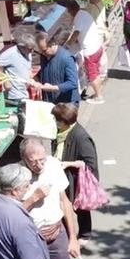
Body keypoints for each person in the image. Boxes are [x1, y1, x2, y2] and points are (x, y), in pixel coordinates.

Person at [52, 103, 100, 243]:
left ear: (65, 122)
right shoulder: (61, 131)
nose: (55, 122)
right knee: (63, 205)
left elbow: (90, 164)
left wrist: (68, 164)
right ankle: (66, 234)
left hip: (75, 179)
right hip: (62, 175)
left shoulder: (81, 137)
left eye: (57, 120)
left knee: (80, 207)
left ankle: (84, 235)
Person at [65, 0, 105, 105]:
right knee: (96, 73)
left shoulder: (78, 18)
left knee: (92, 75)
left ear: (71, 10)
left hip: (90, 51)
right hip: (97, 46)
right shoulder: (84, 13)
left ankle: (99, 97)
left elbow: (76, 33)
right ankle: (98, 93)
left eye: (68, 12)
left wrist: (68, 44)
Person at [0, 33, 36, 105]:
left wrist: (30, 77)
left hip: (24, 92)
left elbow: (28, 68)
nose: (32, 51)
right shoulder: (10, 54)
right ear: (21, 47)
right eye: (30, 49)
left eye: (33, 48)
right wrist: (5, 79)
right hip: (15, 95)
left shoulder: (28, 53)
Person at [36, 32, 80, 105]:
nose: (42, 53)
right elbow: (46, 71)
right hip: (50, 101)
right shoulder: (44, 56)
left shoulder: (67, 58)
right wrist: (35, 78)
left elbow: (72, 83)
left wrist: (53, 88)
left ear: (52, 44)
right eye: (40, 51)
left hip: (66, 104)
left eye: (44, 50)